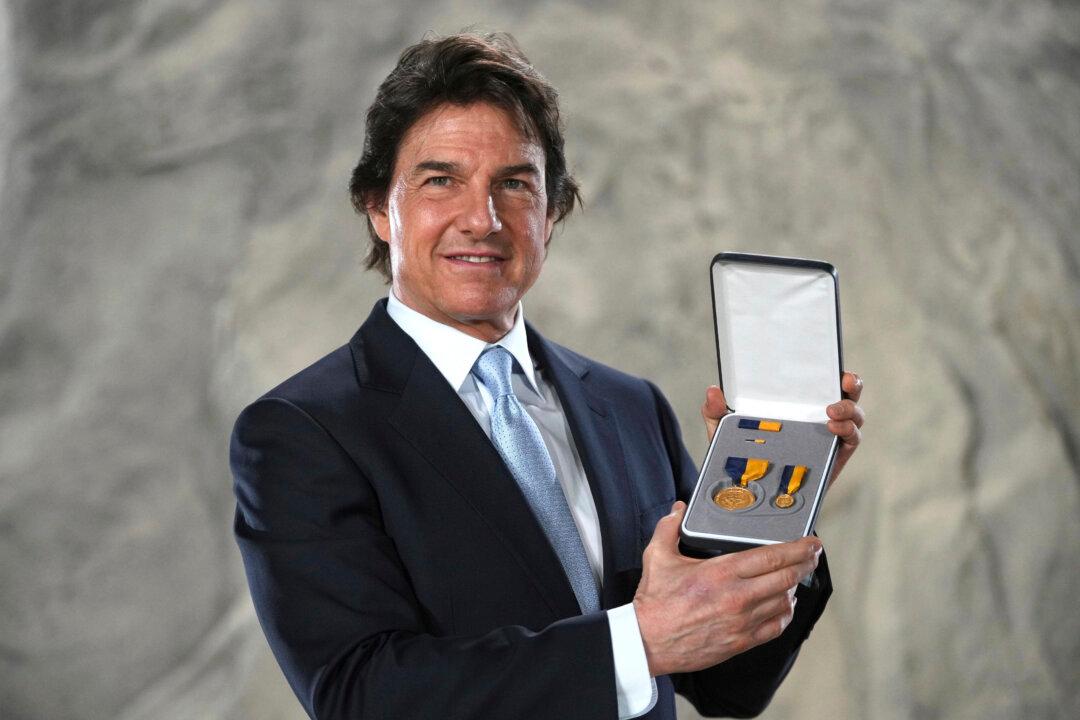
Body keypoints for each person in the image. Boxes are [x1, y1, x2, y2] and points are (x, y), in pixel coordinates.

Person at [230, 32, 865, 720]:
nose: (483, 219)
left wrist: (774, 507)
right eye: (442, 180)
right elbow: (365, 695)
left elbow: (725, 685)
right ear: (380, 208)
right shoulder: (302, 433)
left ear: (552, 211)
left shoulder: (629, 408)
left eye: (514, 183)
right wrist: (637, 642)